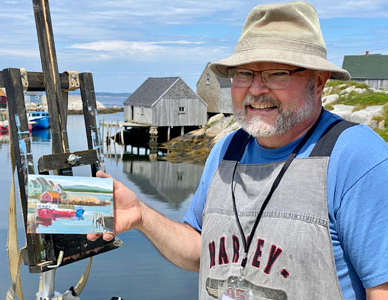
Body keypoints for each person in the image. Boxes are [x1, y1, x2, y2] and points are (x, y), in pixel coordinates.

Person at [88, 2, 388, 299]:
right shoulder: (226, 150)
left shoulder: (357, 157)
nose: (256, 89)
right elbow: (199, 252)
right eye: (244, 74)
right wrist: (141, 215)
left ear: (318, 81)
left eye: (277, 73)